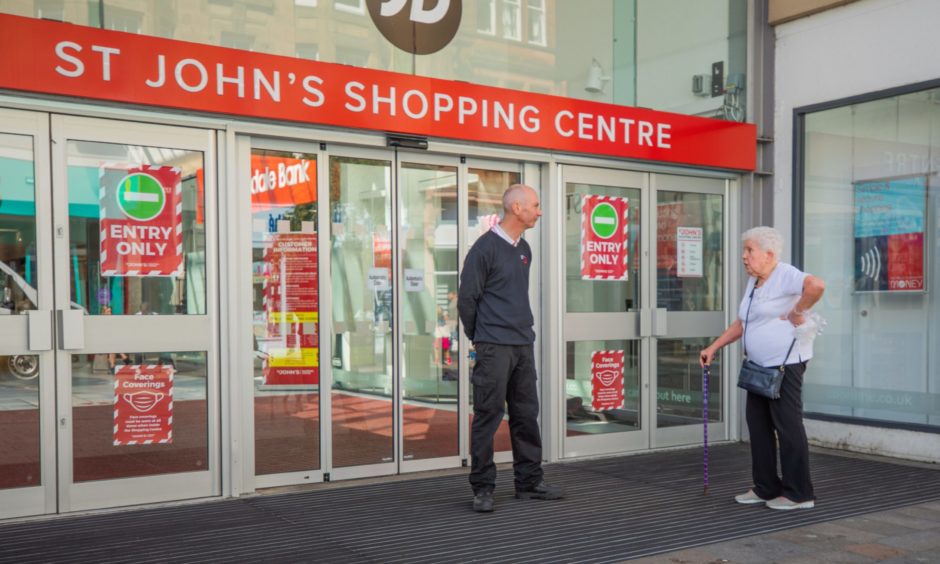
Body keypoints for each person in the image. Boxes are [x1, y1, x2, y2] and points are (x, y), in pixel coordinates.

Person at [700, 226, 825, 511]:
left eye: (749, 251)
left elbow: (817, 285)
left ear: (769, 254)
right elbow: (743, 322)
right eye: (744, 250)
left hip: (785, 366)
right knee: (758, 428)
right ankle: (766, 487)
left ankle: (799, 493)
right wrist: (713, 347)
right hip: (757, 368)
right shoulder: (755, 281)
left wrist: (797, 312)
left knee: (788, 427)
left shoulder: (785, 274)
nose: (744, 257)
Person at [458, 183, 564, 513]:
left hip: (522, 345)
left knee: (525, 416)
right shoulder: (483, 249)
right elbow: (467, 299)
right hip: (493, 347)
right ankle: (483, 488)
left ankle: (529, 483)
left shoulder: (524, 249)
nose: (539, 211)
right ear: (516, 208)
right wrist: (481, 336)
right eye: (535, 205)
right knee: (488, 417)